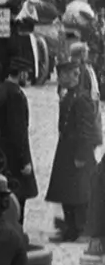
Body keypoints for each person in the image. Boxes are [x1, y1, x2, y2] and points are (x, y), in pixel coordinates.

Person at [45, 58, 99, 242]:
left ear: (70, 76)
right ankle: (70, 228)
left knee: (81, 193)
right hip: (66, 150)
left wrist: (81, 155)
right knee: (66, 191)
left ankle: (81, 229)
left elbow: (86, 129)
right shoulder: (69, 96)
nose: (59, 79)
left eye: (61, 75)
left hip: (77, 153)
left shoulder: (81, 98)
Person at [0, 58, 39, 222]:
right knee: (18, 194)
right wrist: (25, 160)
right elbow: (19, 131)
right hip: (14, 155)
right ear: (21, 73)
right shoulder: (16, 95)